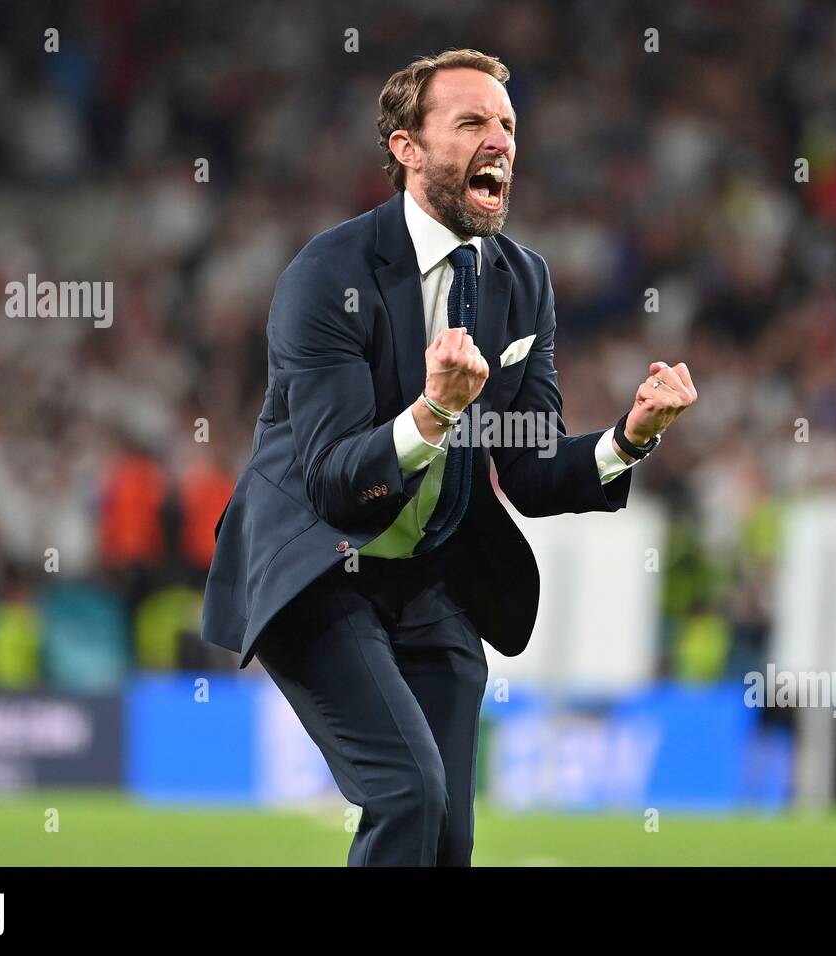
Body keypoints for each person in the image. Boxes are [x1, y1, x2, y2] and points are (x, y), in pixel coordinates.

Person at [200, 48, 696, 865]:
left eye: (506, 123)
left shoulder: (521, 280)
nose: (497, 139)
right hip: (325, 568)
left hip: (434, 581)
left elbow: (531, 472)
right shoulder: (329, 274)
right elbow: (331, 481)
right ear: (406, 148)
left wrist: (630, 437)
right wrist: (434, 412)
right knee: (407, 792)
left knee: (448, 837)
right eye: (470, 122)